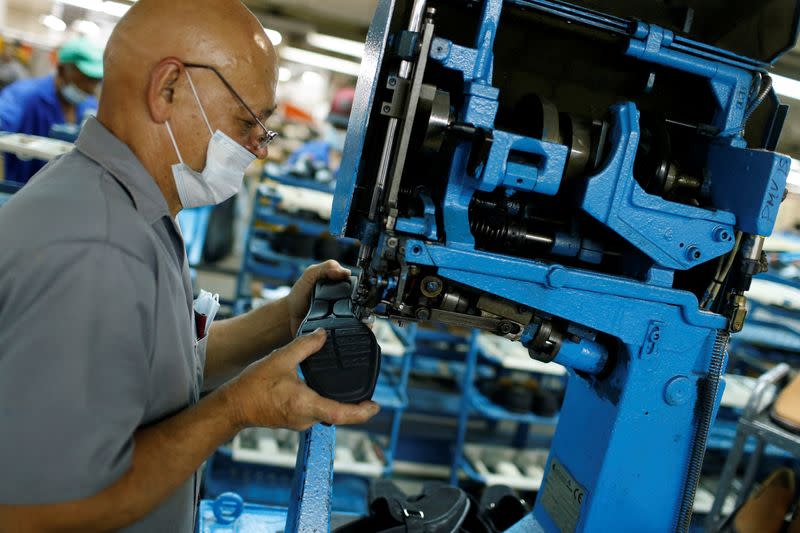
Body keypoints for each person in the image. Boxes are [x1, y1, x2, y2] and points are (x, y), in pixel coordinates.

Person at [0, 1, 378, 531]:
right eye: (248, 122)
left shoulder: (127, 208)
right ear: (168, 88)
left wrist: (285, 318)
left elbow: (163, 366)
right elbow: (46, 512)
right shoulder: (99, 249)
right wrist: (234, 411)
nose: (258, 150)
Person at [0, 37, 102, 184]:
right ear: (61, 70)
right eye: (84, 79)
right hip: (22, 191)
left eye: (95, 81)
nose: (90, 88)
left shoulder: (89, 106)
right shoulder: (24, 95)